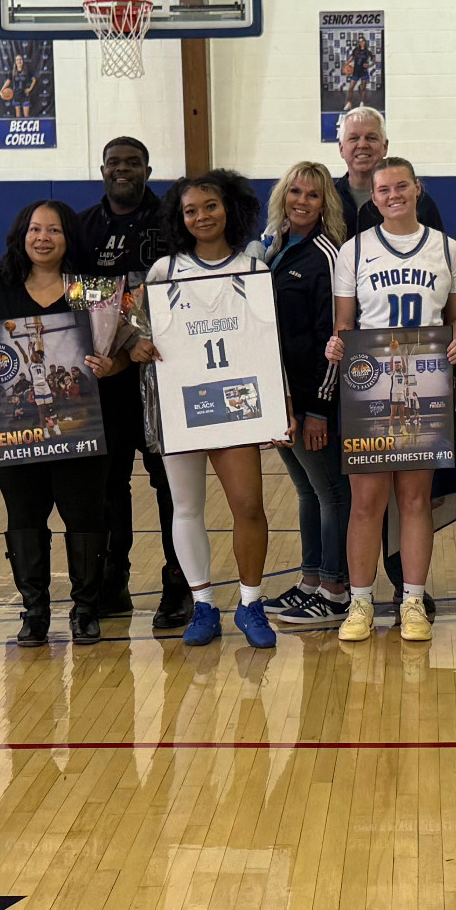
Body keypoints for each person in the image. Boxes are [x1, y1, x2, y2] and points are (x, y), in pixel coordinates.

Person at [130, 171, 281, 648]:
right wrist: (137, 343)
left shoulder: (254, 269)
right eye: (190, 210)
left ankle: (251, 603)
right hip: (183, 406)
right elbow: (135, 327)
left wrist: (281, 407)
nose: (201, 216)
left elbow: (268, 343)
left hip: (238, 404)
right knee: (186, 507)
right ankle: (203, 604)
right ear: (180, 218)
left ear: (229, 208)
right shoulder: (164, 271)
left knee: (249, 505)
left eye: (210, 206)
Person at [326, 156, 456, 643]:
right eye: (384, 189)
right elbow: (345, 324)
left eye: (401, 186)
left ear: (417, 188)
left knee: (414, 499)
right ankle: (360, 603)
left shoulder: (448, 249)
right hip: (370, 385)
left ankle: (412, 600)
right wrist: (337, 344)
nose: (393, 195)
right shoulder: (354, 251)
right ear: (374, 197)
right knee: (366, 502)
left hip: (426, 385)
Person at [0, 201, 117, 646]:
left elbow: (125, 348)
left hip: (81, 426)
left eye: (54, 230)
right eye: (35, 229)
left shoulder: (92, 291)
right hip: (13, 429)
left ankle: (85, 609)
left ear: (70, 237)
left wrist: (112, 363)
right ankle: (34, 611)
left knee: (84, 513)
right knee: (24, 514)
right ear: (22, 235)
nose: (43, 238)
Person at [76, 136, 188, 630]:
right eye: (114, 163)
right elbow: (74, 297)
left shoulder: (172, 220)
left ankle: (178, 582)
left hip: (165, 371)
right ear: (102, 169)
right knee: (109, 483)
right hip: (108, 379)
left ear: (148, 169)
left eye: (133, 162)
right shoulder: (83, 227)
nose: (122, 169)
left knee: (169, 483)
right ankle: (113, 580)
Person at [248, 163, 353, 627]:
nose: (302, 201)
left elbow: (334, 338)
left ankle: (336, 590)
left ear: (326, 203)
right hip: (280, 400)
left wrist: (318, 410)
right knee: (307, 491)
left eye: (313, 195)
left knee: (332, 492)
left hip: (311, 403)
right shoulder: (273, 248)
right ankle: (311, 581)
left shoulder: (328, 254)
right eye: (295, 192)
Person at [333, 107, 443, 237]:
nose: (362, 145)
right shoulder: (329, 199)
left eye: (371, 138)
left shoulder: (417, 201)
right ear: (341, 149)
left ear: (385, 147)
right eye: (354, 138)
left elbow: (435, 245)